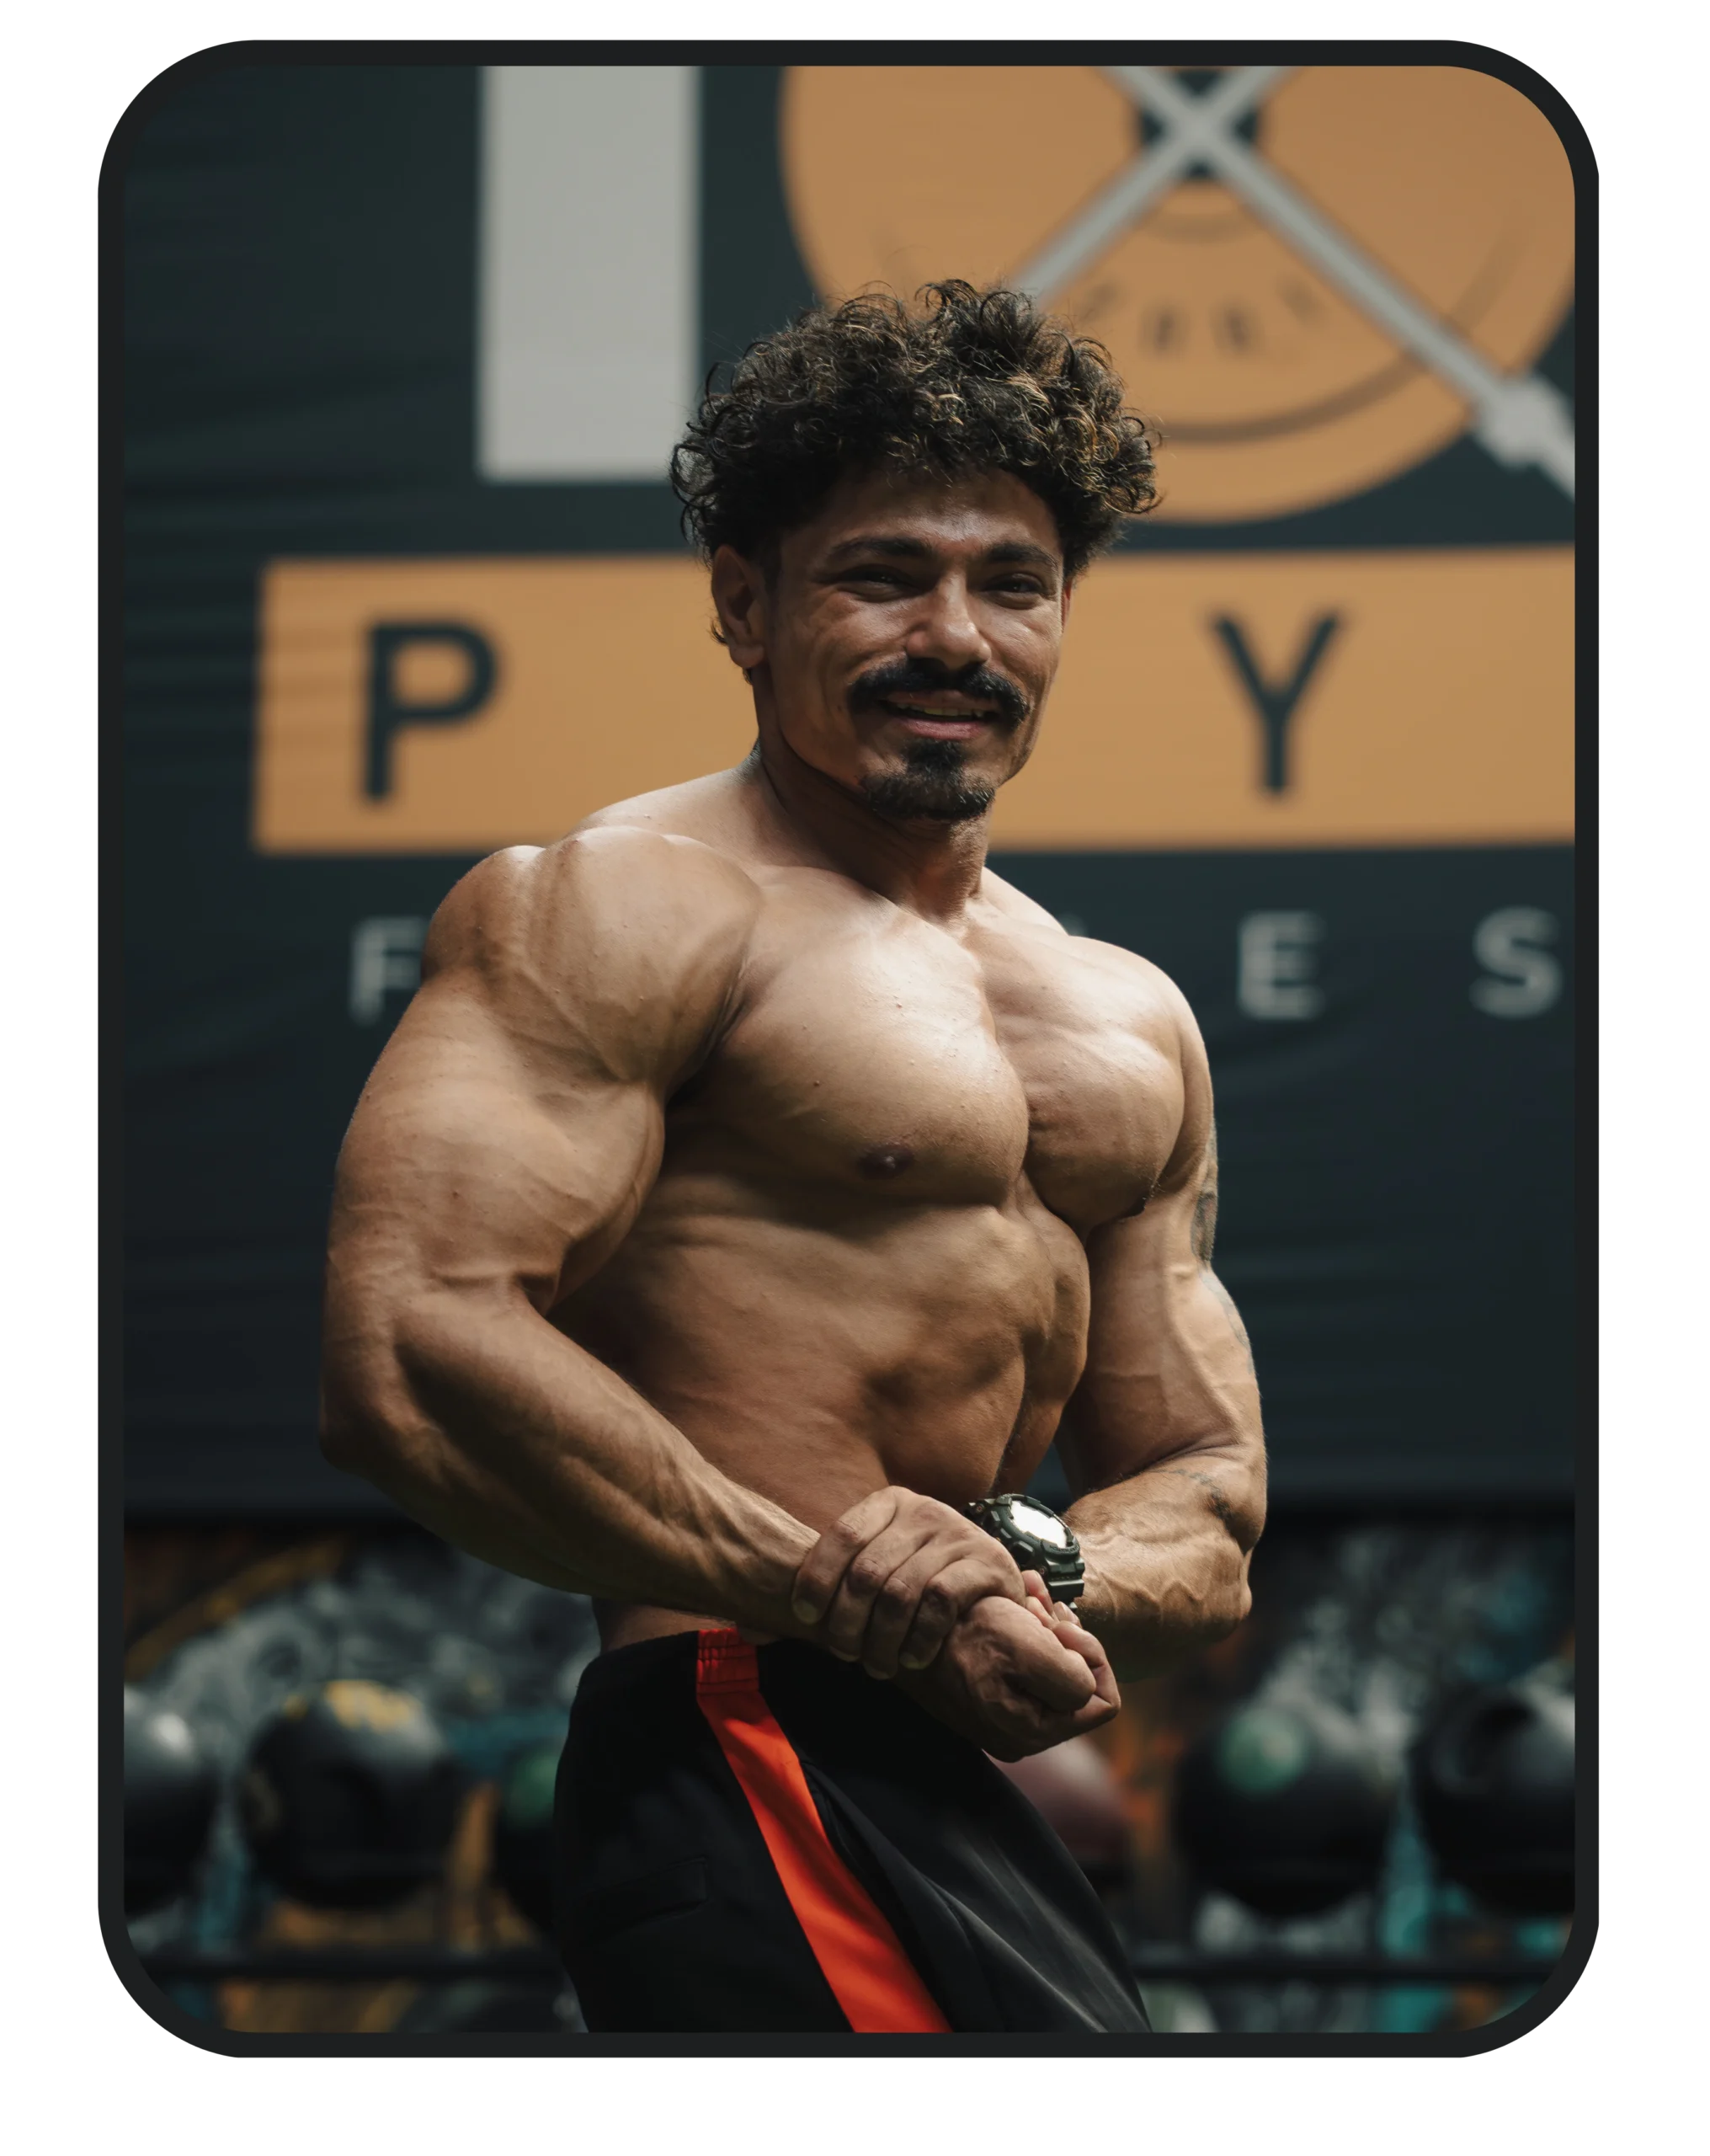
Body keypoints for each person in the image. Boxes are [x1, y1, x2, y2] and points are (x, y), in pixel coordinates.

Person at [320, 282, 1266, 2034]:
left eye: (1013, 582)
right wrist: (837, 1585)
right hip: (738, 1711)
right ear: (743, 605)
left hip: (954, 1770)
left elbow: (1206, 1497)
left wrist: (1034, 1565)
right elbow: (412, 1344)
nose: (955, 634)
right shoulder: (621, 902)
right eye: (882, 573)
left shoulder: (1123, 1015)